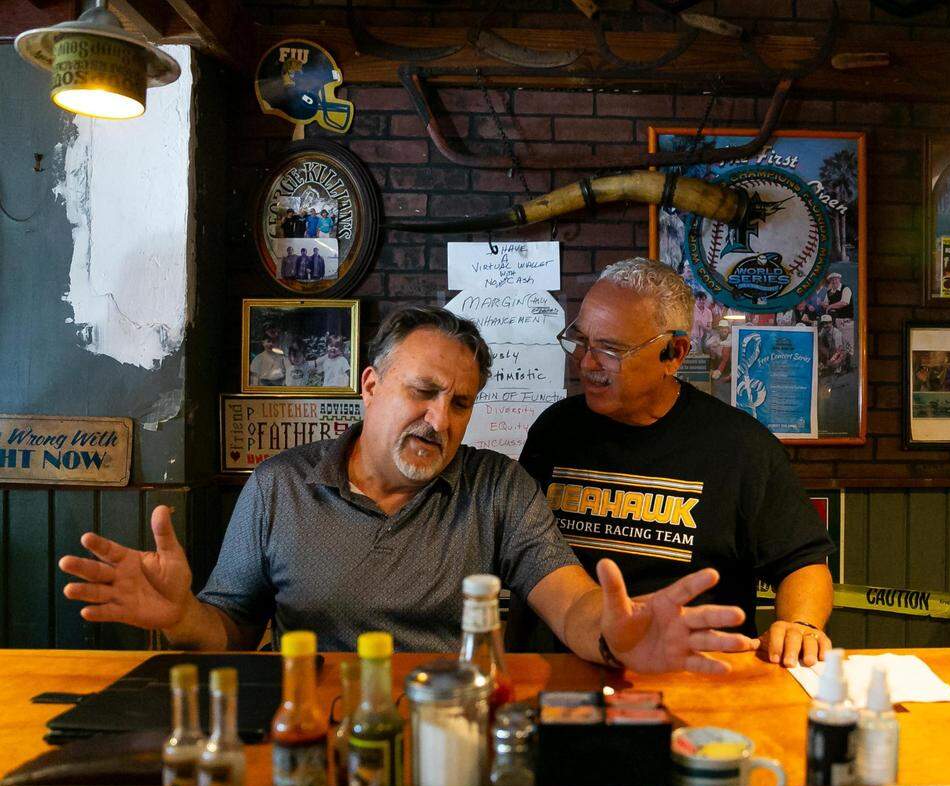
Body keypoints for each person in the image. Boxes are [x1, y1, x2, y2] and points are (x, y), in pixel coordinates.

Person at [59, 306, 756, 673]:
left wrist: (614, 635)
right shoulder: (280, 488)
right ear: (370, 386)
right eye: (423, 393)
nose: (439, 419)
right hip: (320, 735)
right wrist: (182, 615)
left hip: (457, 735)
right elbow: (231, 632)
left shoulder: (497, 488)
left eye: (460, 404)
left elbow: (571, 602)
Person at [506, 258, 836, 668]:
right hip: (557, 676)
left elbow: (802, 562)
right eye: (583, 342)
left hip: (691, 678)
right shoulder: (554, 431)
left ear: (674, 354)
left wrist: (800, 624)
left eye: (611, 349)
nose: (588, 363)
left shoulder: (740, 447)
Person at [702, 318, 732, 403]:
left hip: (729, 365)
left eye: (725, 328)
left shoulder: (731, 336)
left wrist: (718, 344)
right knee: (711, 349)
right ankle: (714, 370)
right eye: (721, 328)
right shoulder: (716, 336)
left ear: (728, 329)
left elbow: (730, 343)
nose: (723, 330)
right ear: (719, 329)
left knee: (726, 349)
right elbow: (707, 344)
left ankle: (719, 371)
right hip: (718, 360)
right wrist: (714, 345)